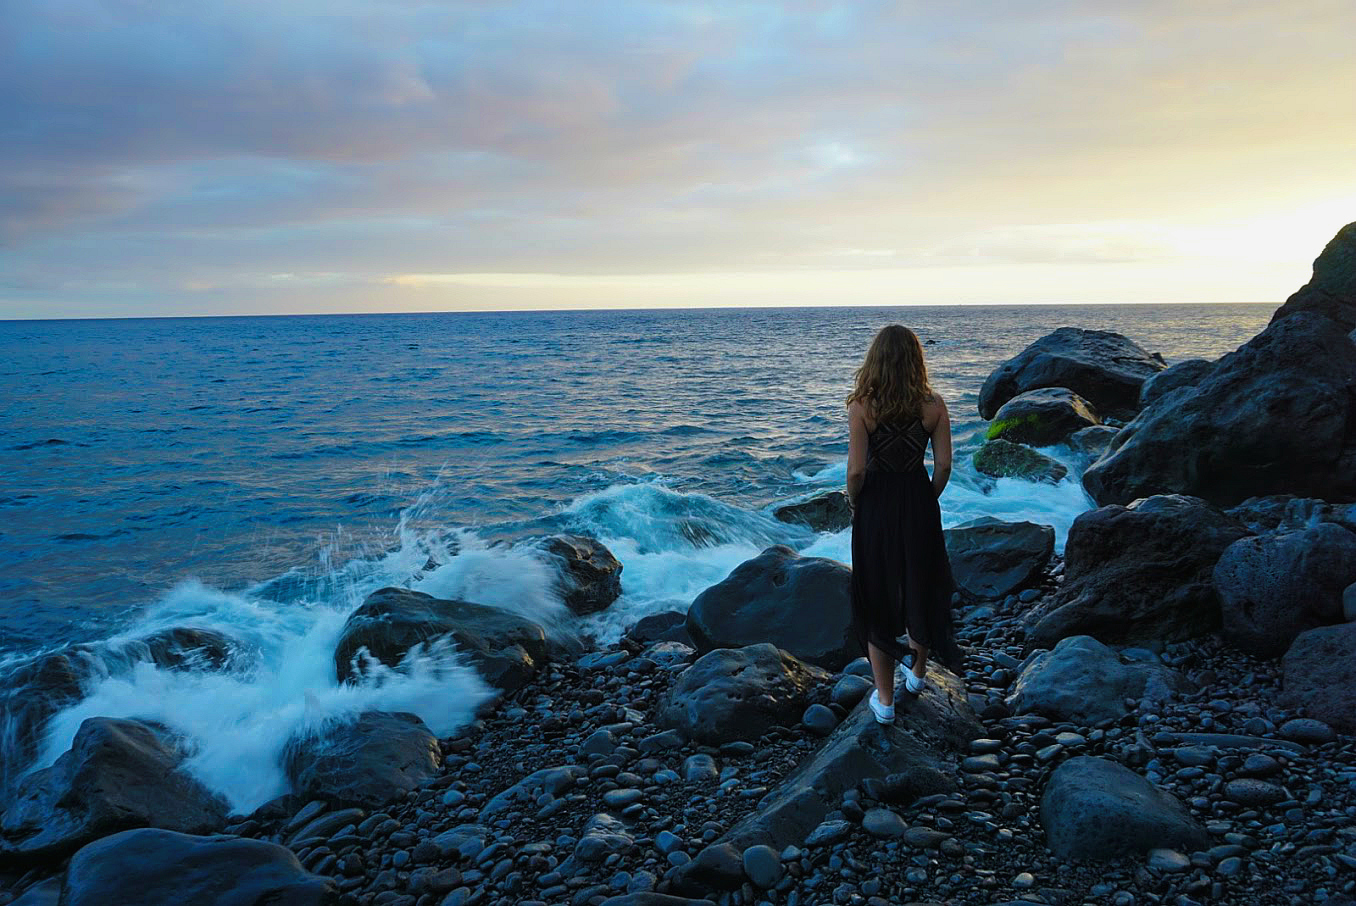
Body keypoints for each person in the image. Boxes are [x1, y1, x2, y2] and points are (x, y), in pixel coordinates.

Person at [845, 324, 964, 725]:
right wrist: (928, 497)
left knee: (877, 594)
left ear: (875, 359)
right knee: (920, 583)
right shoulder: (934, 404)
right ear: (916, 359)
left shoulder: (863, 406)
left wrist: (855, 502)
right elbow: (945, 465)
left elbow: (857, 471)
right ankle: (916, 674)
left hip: (876, 505)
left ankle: (885, 700)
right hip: (918, 499)